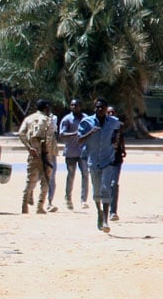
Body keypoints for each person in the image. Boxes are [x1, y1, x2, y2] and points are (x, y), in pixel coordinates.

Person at [78, 97, 121, 233]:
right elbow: (79, 140)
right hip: (93, 161)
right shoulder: (86, 122)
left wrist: (116, 143)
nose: (100, 109)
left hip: (107, 160)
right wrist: (91, 132)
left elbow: (118, 130)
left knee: (105, 189)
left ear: (106, 109)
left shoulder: (113, 122)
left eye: (102, 107)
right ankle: (99, 213)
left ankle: (106, 220)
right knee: (96, 191)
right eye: (97, 107)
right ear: (94, 108)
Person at [17, 99, 55, 214]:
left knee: (30, 180)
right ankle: (40, 206)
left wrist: (29, 148)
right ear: (46, 108)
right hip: (45, 154)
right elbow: (50, 138)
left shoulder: (28, 119)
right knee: (46, 180)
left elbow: (21, 133)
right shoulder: (48, 120)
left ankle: (24, 205)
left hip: (33, 153)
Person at [59, 99, 90, 210]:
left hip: (83, 152)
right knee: (71, 175)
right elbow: (62, 134)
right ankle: (68, 199)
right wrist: (74, 134)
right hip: (71, 152)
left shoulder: (86, 118)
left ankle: (83, 200)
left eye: (76, 105)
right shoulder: (67, 119)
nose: (74, 107)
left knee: (85, 175)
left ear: (80, 106)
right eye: (72, 105)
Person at [107, 106, 126, 221]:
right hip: (105, 159)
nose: (111, 114)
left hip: (116, 159)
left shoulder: (119, 125)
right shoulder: (103, 126)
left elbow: (121, 138)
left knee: (114, 184)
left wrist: (123, 149)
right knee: (105, 185)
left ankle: (113, 212)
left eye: (113, 112)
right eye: (108, 112)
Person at [45, 113, 59, 213]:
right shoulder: (34, 119)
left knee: (51, 178)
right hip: (39, 152)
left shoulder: (53, 117)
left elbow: (52, 129)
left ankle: (49, 202)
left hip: (51, 152)